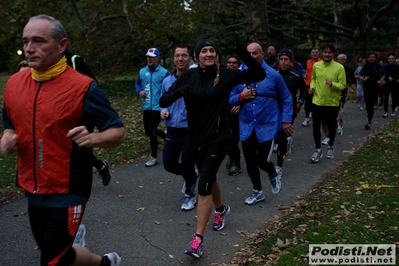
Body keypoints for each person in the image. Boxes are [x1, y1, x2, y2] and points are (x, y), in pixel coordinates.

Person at [1, 14, 125, 266]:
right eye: (25, 41)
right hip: (32, 186)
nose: (29, 48)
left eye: (38, 41)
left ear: (61, 45)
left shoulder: (84, 87)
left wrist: (93, 137)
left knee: (51, 260)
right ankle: (103, 263)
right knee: (61, 255)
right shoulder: (14, 84)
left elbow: (117, 132)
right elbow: (9, 125)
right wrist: (7, 138)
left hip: (68, 188)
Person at [159, 37, 266, 258]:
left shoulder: (226, 74)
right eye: (204, 51)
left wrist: (245, 56)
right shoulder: (188, 76)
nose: (208, 54)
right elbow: (163, 101)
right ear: (196, 57)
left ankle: (197, 240)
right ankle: (221, 209)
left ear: (216, 55)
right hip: (195, 138)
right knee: (210, 178)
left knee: (204, 183)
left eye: (212, 51)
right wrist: (179, 92)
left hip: (219, 136)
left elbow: (259, 75)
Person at [229, 43, 293, 206]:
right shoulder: (239, 75)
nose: (251, 56)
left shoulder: (273, 75)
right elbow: (229, 98)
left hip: (268, 124)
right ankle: (258, 191)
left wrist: (286, 121)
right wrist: (241, 97)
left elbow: (286, 98)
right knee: (250, 162)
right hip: (247, 124)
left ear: (262, 54)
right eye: (248, 53)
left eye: (255, 53)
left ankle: (272, 174)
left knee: (261, 160)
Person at [63, 49, 112, 186]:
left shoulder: (74, 61)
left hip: (83, 113)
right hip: (65, 113)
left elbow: (92, 86)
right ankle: (101, 167)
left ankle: (81, 180)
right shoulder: (50, 65)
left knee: (78, 145)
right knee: (72, 145)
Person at [160, 44, 198, 211]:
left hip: (190, 130)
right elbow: (163, 101)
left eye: (184, 55)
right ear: (173, 58)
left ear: (190, 58)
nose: (180, 59)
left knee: (188, 164)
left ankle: (190, 195)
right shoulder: (167, 81)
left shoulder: (196, 79)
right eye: (177, 56)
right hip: (173, 130)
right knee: (169, 164)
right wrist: (164, 111)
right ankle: (191, 176)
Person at [309, 43, 346, 162]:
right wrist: (312, 87)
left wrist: (333, 84)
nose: (327, 54)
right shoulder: (317, 65)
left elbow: (343, 85)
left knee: (331, 126)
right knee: (316, 126)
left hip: (332, 102)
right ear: (322, 53)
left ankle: (331, 147)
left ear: (333, 54)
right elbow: (313, 79)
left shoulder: (339, 67)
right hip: (317, 101)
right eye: (325, 52)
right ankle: (318, 150)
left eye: (330, 52)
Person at [135, 47, 170, 167]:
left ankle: (154, 156)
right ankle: (167, 136)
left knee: (152, 131)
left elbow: (171, 86)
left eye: (152, 57)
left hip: (158, 106)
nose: (149, 59)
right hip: (146, 106)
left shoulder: (164, 73)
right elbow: (137, 83)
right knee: (148, 132)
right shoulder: (142, 71)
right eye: (148, 57)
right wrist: (139, 91)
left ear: (158, 58)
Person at [274, 49, 306, 175]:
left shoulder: (296, 75)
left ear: (290, 61)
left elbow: (304, 91)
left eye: (286, 59)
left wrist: (300, 101)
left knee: (281, 137)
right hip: (274, 109)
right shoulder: (274, 73)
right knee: (277, 137)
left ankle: (279, 166)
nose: (283, 62)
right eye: (281, 59)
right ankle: (287, 140)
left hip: (290, 109)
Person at [359, 52, 386, 130]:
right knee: (368, 104)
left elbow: (384, 74)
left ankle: (369, 121)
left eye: (373, 57)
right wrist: (363, 78)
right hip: (367, 86)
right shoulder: (365, 66)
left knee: (371, 102)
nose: (371, 58)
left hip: (375, 87)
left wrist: (380, 80)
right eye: (370, 57)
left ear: (375, 58)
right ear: (368, 58)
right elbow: (359, 75)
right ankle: (369, 117)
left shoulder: (379, 66)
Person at [225, 55, 242, 176]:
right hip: (224, 111)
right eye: (229, 62)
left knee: (234, 140)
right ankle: (230, 154)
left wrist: (240, 104)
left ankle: (237, 164)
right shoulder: (222, 76)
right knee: (223, 140)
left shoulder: (242, 77)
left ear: (238, 64)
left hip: (238, 112)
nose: (231, 64)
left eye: (234, 63)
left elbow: (249, 93)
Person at [302, 48, 321, 127]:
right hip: (308, 84)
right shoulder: (308, 61)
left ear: (318, 53)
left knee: (315, 102)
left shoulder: (321, 62)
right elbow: (308, 70)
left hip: (317, 85)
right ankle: (307, 117)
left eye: (316, 52)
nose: (314, 54)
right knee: (307, 102)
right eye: (313, 52)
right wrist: (305, 75)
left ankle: (315, 117)